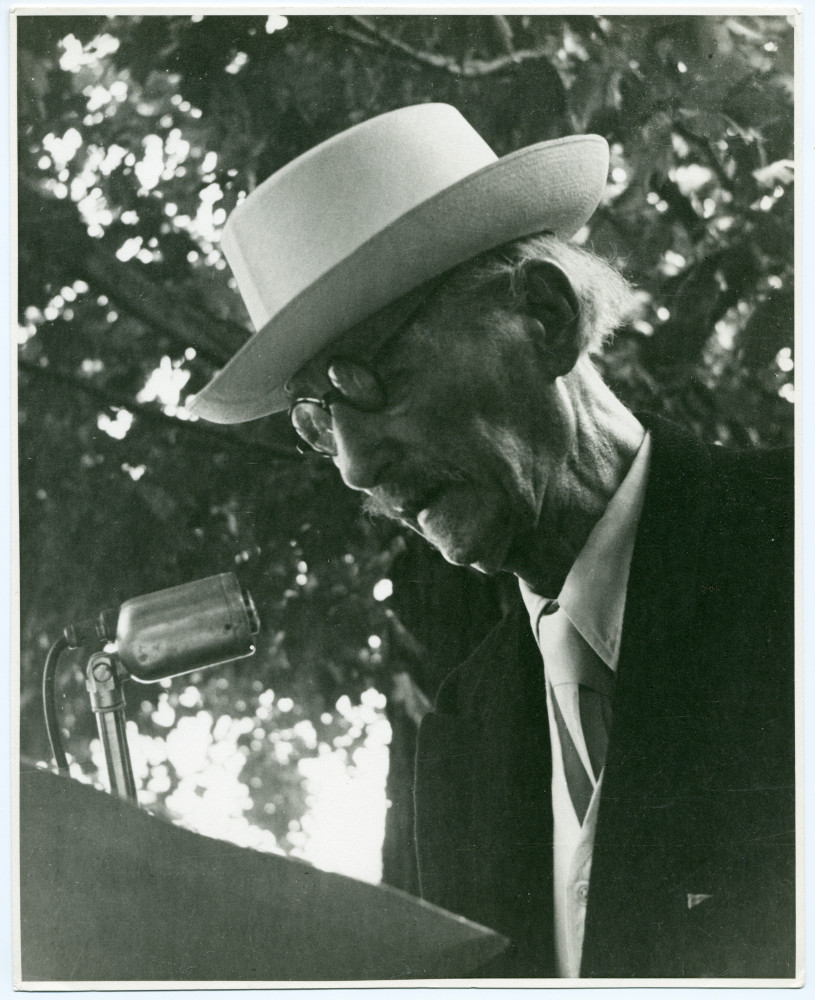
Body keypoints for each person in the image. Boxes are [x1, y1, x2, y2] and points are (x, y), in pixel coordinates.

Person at [189, 104, 795, 979]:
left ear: (543, 317)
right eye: (317, 421)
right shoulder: (459, 746)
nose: (355, 467)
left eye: (370, 378)